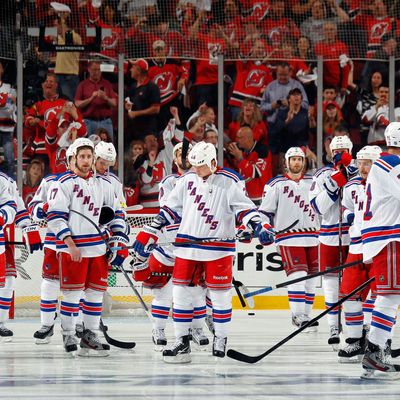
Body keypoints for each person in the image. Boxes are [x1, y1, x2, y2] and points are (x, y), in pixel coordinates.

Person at [131, 141, 274, 363]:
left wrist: (260, 227)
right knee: (180, 296)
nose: (196, 170)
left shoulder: (230, 181)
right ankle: (181, 340)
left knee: (219, 297)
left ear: (213, 162)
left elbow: (245, 209)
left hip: (218, 251)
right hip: (187, 248)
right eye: (194, 165)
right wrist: (149, 230)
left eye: (201, 166)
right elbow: (169, 209)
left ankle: (221, 338)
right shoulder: (187, 180)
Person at [46, 137, 128, 355]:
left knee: (95, 294)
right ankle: (69, 332)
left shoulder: (104, 184)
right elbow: (54, 217)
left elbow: (116, 213)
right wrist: (69, 243)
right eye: (81, 156)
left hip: (98, 249)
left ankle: (90, 334)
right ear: (72, 159)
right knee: (72, 295)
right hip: (74, 250)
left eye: (89, 156)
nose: (86, 160)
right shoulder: (63, 183)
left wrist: (117, 239)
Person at [133, 142, 210, 351]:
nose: (184, 156)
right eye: (179, 154)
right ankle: (158, 329)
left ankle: (197, 329)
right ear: (174, 160)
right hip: (170, 247)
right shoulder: (169, 181)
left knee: (197, 292)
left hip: (194, 247)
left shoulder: (206, 180)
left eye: (188, 153)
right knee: (165, 293)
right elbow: (172, 209)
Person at [260, 147, 320, 330]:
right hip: (288, 238)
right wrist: (264, 227)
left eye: (300, 159)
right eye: (293, 159)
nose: (296, 163)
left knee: (312, 279)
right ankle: (297, 315)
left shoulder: (314, 182)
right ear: (286, 162)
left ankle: (307, 317)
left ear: (304, 162)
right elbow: (264, 212)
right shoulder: (275, 184)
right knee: (298, 275)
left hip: (314, 237)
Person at [360, 122, 400, 378]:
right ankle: (374, 350)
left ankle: (377, 348)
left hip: (387, 236)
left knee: (392, 295)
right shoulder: (391, 164)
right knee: (390, 295)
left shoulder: (385, 164)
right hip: (388, 238)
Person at [309, 135, 353, 350]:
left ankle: (358, 326)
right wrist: (335, 182)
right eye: (337, 150)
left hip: (355, 236)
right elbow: (318, 208)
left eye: (344, 150)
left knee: (355, 283)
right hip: (328, 236)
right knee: (331, 283)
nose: (340, 153)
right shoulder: (321, 175)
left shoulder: (362, 171)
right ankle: (333, 325)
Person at [338, 145, 382, 363]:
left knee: (378, 296)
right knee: (350, 296)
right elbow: (346, 207)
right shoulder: (351, 186)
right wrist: (348, 216)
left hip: (377, 246)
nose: (363, 167)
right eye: (361, 163)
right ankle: (355, 341)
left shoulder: (386, 185)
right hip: (356, 246)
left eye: (368, 163)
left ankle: (378, 342)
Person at [29, 144, 76, 343]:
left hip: (81, 244)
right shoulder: (50, 181)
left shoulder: (90, 182)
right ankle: (47, 324)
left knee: (75, 290)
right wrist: (44, 208)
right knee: (49, 284)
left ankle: (75, 327)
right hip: (54, 241)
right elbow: (33, 207)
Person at [0, 173, 42, 339]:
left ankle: (1, 323)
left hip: (5, 236)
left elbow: (18, 207)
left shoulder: (6, 180)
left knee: (8, 281)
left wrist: (27, 228)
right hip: (4, 236)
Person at [227, 126, 272, 205]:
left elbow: (256, 173)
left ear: (248, 138)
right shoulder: (239, 150)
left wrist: (240, 159)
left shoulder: (262, 151)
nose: (237, 140)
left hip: (261, 200)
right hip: (243, 197)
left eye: (239, 138)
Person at [75, 61, 117, 140]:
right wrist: (91, 98)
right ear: (89, 69)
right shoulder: (83, 85)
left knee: (108, 148)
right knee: (89, 147)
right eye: (94, 70)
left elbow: (114, 103)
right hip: (88, 122)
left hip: (105, 121)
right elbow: (77, 104)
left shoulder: (106, 83)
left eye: (98, 70)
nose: (96, 72)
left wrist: (106, 98)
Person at [0, 60, 17, 178]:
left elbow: (10, 109)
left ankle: (11, 186)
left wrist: (5, 103)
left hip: (6, 127)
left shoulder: (9, 88)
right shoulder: (8, 91)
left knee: (10, 159)